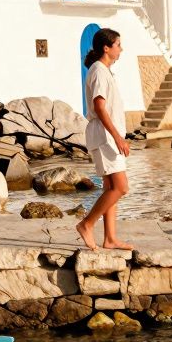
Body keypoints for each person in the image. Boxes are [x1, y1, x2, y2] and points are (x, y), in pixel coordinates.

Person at [75, 28, 133, 251]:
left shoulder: (103, 71)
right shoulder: (99, 71)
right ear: (106, 48)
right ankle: (86, 224)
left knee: (110, 187)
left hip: (105, 134)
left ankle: (110, 238)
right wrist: (117, 137)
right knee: (121, 187)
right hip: (105, 136)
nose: (121, 49)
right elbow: (99, 106)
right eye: (118, 44)